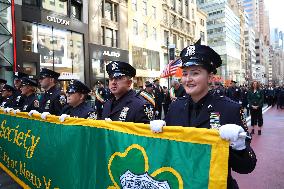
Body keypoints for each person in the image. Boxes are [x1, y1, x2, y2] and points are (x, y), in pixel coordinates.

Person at [150, 41, 256, 189]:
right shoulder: (175, 107)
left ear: (211, 77)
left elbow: (247, 166)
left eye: (195, 73)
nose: (188, 79)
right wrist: (157, 137)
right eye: (185, 73)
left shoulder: (229, 108)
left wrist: (239, 147)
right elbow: (166, 155)